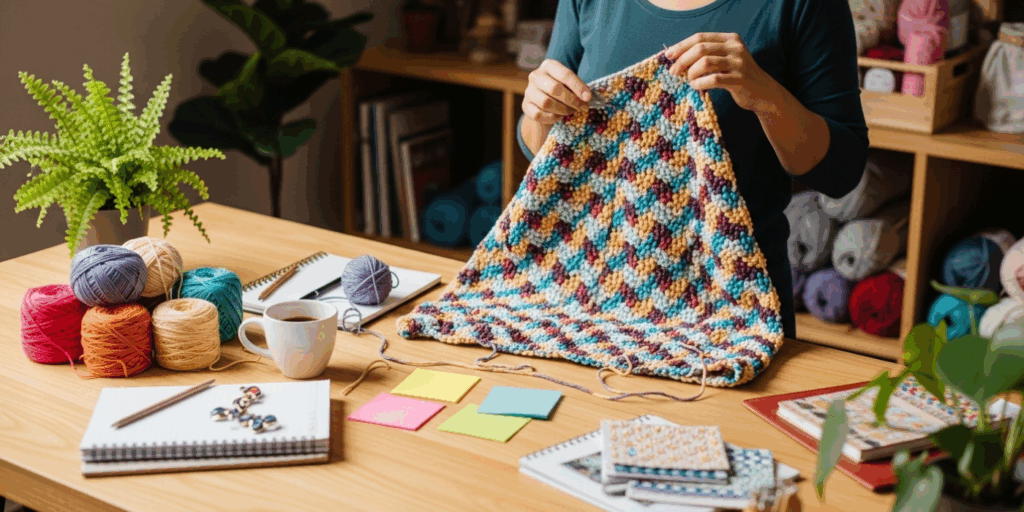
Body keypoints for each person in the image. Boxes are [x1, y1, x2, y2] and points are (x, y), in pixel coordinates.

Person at [517, 0, 869, 338]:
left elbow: (841, 171)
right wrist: (538, 110)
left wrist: (764, 95)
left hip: (732, 313)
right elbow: (544, 152)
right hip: (586, 299)